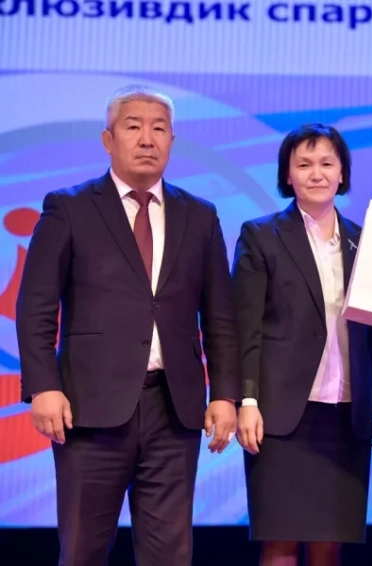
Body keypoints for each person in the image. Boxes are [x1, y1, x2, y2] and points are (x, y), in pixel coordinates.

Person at [15, 84, 240, 566]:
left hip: (174, 409)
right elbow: (35, 305)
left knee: (169, 554)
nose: (147, 139)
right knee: (83, 550)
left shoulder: (200, 216)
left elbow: (220, 315)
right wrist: (43, 387)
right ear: (108, 139)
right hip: (88, 408)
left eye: (159, 128)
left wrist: (225, 395)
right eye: (133, 127)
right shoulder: (69, 207)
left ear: (172, 141)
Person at [232, 123, 372, 566]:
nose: (317, 173)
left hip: (346, 414)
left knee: (329, 544)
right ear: (287, 175)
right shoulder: (261, 236)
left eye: (327, 163)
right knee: (281, 542)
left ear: (343, 173)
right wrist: (246, 400)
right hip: (280, 416)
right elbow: (245, 328)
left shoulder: (363, 240)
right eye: (304, 164)